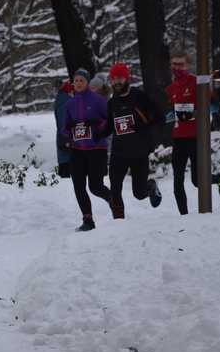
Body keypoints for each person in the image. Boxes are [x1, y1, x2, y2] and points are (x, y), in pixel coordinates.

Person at [165, 49, 220, 215]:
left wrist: (197, 112)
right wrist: (168, 116)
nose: (177, 68)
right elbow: (170, 113)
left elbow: (213, 105)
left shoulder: (197, 82)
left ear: (188, 65)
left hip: (196, 138)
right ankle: (184, 217)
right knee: (177, 182)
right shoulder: (170, 88)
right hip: (178, 138)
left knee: (197, 181)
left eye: (180, 64)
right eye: (174, 64)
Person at [99, 63, 163, 219]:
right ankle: (119, 221)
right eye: (113, 79)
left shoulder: (139, 96)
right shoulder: (112, 103)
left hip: (138, 152)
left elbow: (158, 116)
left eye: (119, 78)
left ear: (127, 78)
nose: (116, 82)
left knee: (139, 193)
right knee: (115, 189)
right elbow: (108, 127)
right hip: (118, 153)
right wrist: (95, 134)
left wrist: (145, 129)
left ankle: (151, 186)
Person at [61, 68, 112, 232]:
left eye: (81, 80)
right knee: (78, 186)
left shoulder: (98, 100)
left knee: (95, 186)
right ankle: (88, 220)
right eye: (75, 81)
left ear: (87, 82)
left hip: (96, 148)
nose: (78, 83)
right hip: (78, 149)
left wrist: (96, 124)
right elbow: (65, 127)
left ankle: (113, 200)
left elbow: (109, 121)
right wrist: (69, 130)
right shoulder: (69, 104)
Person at [54, 79, 73, 178]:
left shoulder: (63, 99)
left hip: (65, 143)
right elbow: (63, 123)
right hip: (66, 145)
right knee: (67, 180)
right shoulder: (65, 100)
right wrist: (67, 141)